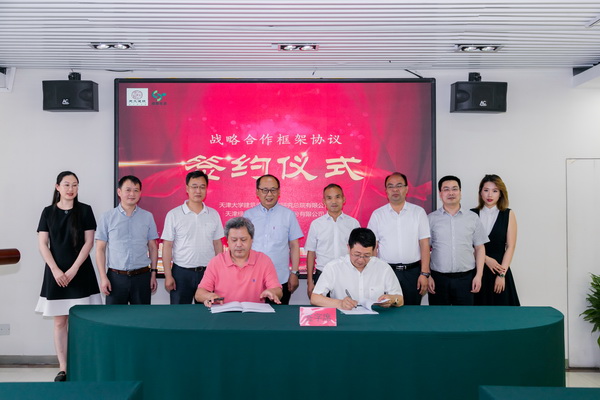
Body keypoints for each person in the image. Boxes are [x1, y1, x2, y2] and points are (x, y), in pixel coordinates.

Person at [35, 171, 101, 382]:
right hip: (56, 273)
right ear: (57, 187)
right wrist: (55, 270)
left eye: (75, 185)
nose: (71, 189)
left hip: (80, 272)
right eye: (66, 184)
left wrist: (73, 269)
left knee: (81, 321)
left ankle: (82, 364)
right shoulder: (48, 212)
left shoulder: (85, 210)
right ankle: (63, 367)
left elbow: (89, 243)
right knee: (59, 322)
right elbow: (42, 244)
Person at [368, 172, 431, 305]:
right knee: (387, 309)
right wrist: (373, 273)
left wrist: (424, 273)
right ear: (386, 191)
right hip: (386, 272)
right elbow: (373, 247)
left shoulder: (418, 212)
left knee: (412, 311)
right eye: (390, 186)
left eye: (399, 186)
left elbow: (424, 244)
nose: (395, 190)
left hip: (413, 273)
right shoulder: (378, 215)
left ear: (406, 189)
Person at [161, 170, 224, 304]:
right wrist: (168, 275)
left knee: (206, 311)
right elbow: (167, 246)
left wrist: (219, 271)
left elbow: (218, 244)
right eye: (194, 186)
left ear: (206, 189)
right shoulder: (174, 214)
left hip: (207, 273)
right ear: (187, 189)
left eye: (202, 187)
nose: (198, 191)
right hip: (181, 273)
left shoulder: (213, 214)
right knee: (179, 312)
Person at [95, 175, 159, 305]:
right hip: (115, 278)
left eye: (136, 190)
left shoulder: (147, 216)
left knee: (142, 316)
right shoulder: (107, 217)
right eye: (128, 190)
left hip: (142, 277)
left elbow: (153, 247)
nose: (132, 194)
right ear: (119, 192)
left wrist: (153, 274)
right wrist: (103, 277)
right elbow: (100, 249)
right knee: (115, 316)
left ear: (140, 193)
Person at [427, 175, 488, 305]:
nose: (451, 193)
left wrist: (479, 275)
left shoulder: (472, 218)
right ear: (440, 193)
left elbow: (480, 248)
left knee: (465, 316)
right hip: (438, 279)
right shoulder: (430, 219)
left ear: (460, 192)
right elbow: (424, 249)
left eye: (454, 189)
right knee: (438, 316)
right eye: (446, 189)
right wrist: (428, 275)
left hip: (466, 279)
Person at [195, 217, 282, 306]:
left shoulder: (264, 260)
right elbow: (199, 293)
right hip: (224, 311)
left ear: (252, 240)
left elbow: (278, 290)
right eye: (234, 240)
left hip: (254, 312)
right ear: (227, 241)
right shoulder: (216, 262)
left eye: (243, 240)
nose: (239, 244)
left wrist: (272, 292)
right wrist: (208, 296)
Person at [243, 174, 303, 305]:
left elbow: (294, 245)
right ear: (257, 192)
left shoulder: (288, 215)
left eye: (273, 190)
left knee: (279, 315)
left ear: (279, 191)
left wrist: (294, 273)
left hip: (280, 278)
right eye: (265, 190)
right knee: (252, 314)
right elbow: (243, 246)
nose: (269, 194)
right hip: (252, 278)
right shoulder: (248, 215)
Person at [310, 228, 404, 310]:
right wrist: (340, 303)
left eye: (367, 255)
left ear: (374, 250)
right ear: (348, 248)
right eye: (357, 254)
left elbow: (400, 300)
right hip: (344, 319)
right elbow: (315, 298)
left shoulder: (383, 268)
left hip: (376, 319)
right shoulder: (334, 267)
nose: (361, 260)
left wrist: (392, 300)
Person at [471, 174, 520, 305]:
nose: (490, 195)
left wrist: (502, 275)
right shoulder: (471, 214)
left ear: (501, 193)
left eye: (495, 191)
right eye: (486, 190)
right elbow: (466, 246)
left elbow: (510, 246)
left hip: (499, 269)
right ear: (480, 192)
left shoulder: (508, 214)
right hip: (476, 271)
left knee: (503, 313)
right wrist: (486, 259)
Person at [305, 183, 360, 298]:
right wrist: (310, 281)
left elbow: (359, 252)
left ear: (343, 199)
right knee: (323, 307)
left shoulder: (353, 223)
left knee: (347, 306)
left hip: (347, 274)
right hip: (322, 274)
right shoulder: (316, 224)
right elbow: (311, 253)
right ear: (324, 201)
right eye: (329, 198)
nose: (334, 201)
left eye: (337, 197)